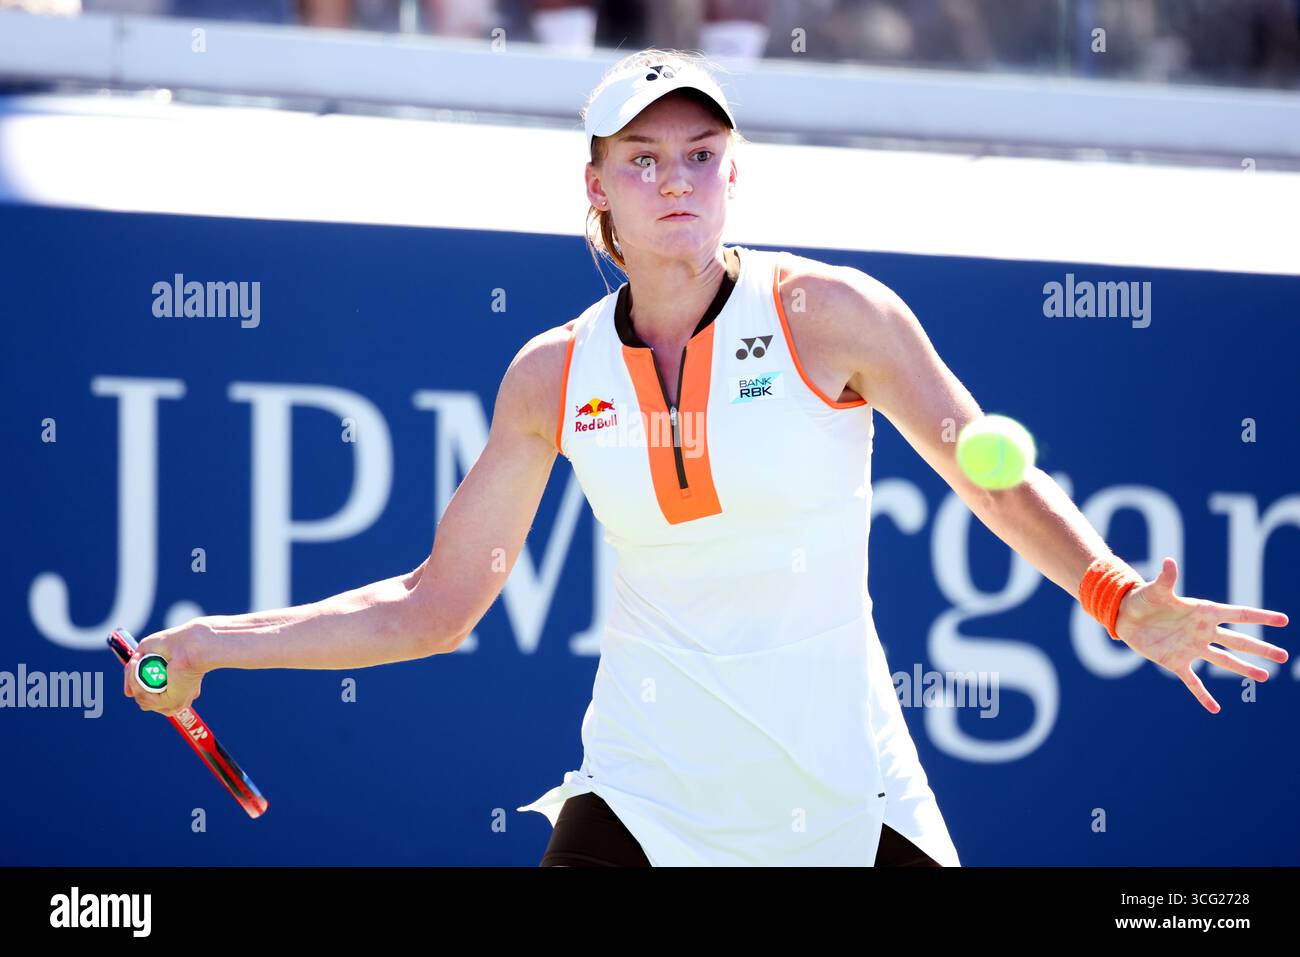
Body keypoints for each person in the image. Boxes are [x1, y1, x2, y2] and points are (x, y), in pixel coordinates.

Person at [124, 48, 1291, 867]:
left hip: (846, 796)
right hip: (642, 795)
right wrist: (212, 647)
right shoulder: (549, 377)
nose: (675, 180)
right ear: (596, 190)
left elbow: (986, 476)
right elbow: (435, 606)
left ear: (737, 170)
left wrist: (1112, 594)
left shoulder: (832, 314)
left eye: (701, 152)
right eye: (642, 159)